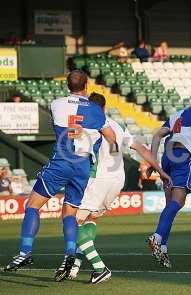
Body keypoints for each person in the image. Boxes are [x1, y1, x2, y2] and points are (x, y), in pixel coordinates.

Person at [3, 70, 117, 282]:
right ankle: (70, 254)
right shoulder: (96, 110)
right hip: (83, 166)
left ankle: (25, 252)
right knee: (69, 213)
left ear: (67, 86)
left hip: (62, 161)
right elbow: (111, 137)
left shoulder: (56, 104)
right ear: (87, 86)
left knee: (33, 206)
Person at [68, 92, 171, 284]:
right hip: (117, 180)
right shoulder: (118, 125)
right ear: (104, 107)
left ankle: (99, 268)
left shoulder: (89, 122)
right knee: (91, 218)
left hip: (97, 178)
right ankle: (75, 266)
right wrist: (161, 171)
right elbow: (142, 149)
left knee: (72, 222)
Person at [146, 90, 191, 268]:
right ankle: (157, 237)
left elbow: (157, 135)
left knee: (170, 206)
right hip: (183, 154)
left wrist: (153, 161)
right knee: (178, 202)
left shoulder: (176, 115)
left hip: (167, 156)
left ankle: (163, 250)